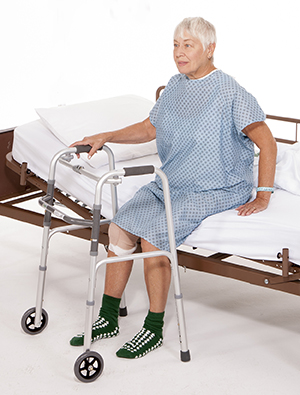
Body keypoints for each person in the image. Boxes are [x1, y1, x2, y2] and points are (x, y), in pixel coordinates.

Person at [69, 17, 277, 359]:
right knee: (120, 226)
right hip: (173, 180)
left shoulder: (229, 91)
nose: (179, 53)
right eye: (176, 45)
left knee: (154, 233)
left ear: (210, 49)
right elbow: (150, 128)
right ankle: (108, 317)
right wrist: (107, 135)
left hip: (216, 187)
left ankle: (152, 327)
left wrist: (264, 194)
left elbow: (267, 144)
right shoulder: (175, 85)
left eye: (188, 45)